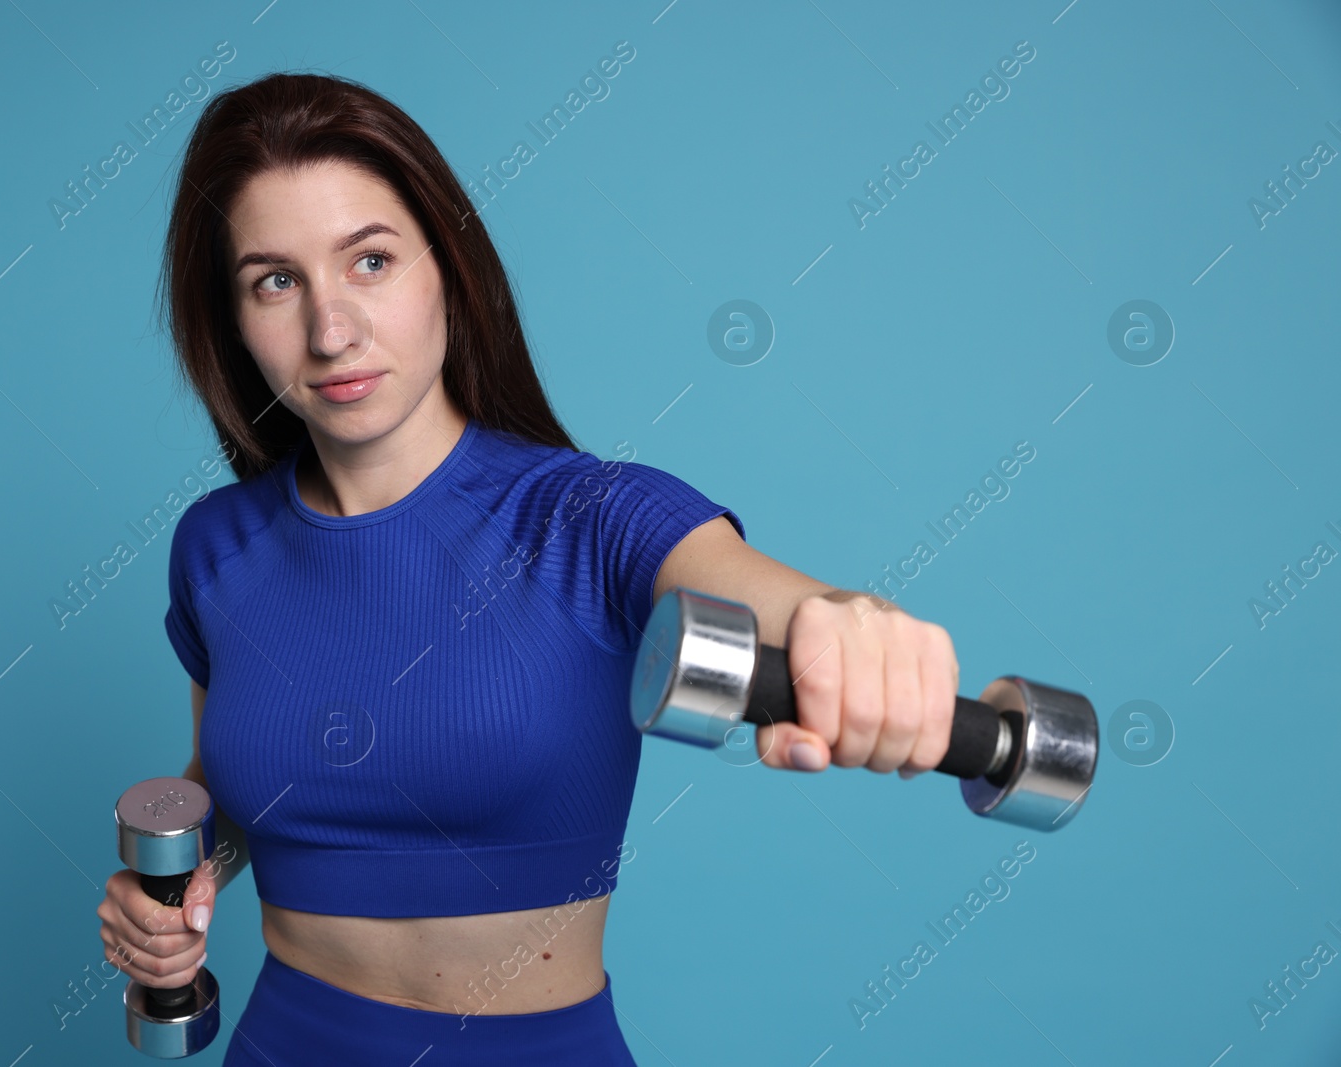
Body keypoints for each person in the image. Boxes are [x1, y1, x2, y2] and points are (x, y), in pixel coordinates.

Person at [95, 71, 959, 1066]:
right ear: (235, 318)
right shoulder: (216, 545)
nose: (329, 331)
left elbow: (757, 588)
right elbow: (235, 792)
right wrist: (178, 887)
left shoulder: (589, 517)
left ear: (446, 271)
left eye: (369, 260)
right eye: (276, 281)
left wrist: (850, 621)